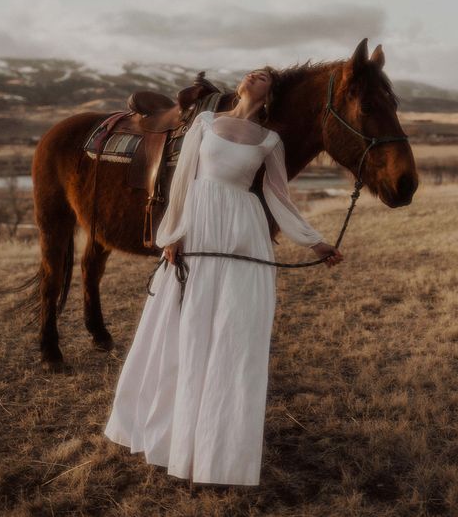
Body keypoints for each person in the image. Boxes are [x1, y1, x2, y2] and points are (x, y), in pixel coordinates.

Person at [104, 67, 343, 487]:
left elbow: (277, 195)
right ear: (240, 85)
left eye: (266, 77)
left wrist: (314, 242)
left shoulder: (270, 141)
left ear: (269, 95)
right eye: (254, 73)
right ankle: (168, 431)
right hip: (200, 221)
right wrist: (172, 233)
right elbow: (183, 180)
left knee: (234, 332)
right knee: (184, 322)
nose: (257, 75)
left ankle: (219, 448)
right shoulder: (204, 123)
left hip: (242, 232)